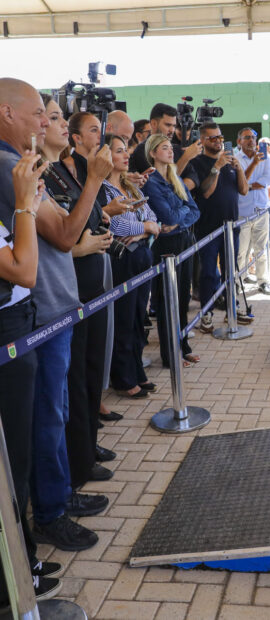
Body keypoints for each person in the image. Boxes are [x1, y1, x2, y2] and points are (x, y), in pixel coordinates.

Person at [0, 78, 111, 553]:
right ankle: (47, 514)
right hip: (35, 313)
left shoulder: (21, 165)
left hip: (45, 307)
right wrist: (95, 180)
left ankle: (57, 498)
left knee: (54, 411)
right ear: (7, 113)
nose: (46, 123)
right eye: (39, 115)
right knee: (44, 418)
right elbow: (65, 237)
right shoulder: (9, 166)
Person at [43, 99, 116, 499]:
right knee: (69, 385)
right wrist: (80, 247)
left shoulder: (68, 171)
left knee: (89, 371)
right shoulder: (44, 173)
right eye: (51, 117)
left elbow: (85, 217)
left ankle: (87, 447)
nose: (54, 123)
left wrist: (99, 217)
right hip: (66, 289)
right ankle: (76, 463)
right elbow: (65, 235)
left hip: (87, 284)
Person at [0, 148, 60, 601]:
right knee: (11, 465)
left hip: (16, 326)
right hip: (6, 336)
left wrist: (30, 204)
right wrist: (24, 205)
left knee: (15, 462)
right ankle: (14, 585)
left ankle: (22, 562)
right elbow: (25, 270)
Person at [101, 134, 160, 397]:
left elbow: (154, 219)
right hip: (122, 260)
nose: (126, 155)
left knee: (138, 318)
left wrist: (143, 230)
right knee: (124, 319)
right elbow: (115, 225)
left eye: (126, 150)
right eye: (119, 151)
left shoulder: (130, 186)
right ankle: (123, 378)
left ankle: (137, 370)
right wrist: (145, 227)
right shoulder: (103, 189)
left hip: (142, 256)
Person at [142, 134, 200, 367]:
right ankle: (170, 354)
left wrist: (179, 220)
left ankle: (183, 346)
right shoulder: (151, 182)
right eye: (164, 148)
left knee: (183, 297)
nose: (170, 151)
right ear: (153, 153)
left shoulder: (174, 176)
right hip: (166, 246)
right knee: (168, 300)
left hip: (184, 240)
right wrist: (179, 217)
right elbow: (168, 217)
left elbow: (194, 210)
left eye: (170, 148)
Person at [192, 122, 249, 334]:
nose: (218, 141)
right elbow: (206, 192)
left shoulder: (230, 161)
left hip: (231, 226)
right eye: (213, 138)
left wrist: (239, 169)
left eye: (220, 137)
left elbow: (244, 190)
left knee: (230, 271)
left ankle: (231, 308)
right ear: (203, 140)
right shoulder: (198, 163)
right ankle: (206, 313)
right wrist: (216, 167)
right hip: (208, 228)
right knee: (208, 272)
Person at [235, 128, 270, 295]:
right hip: (242, 212)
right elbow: (238, 183)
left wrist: (247, 186)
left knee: (261, 249)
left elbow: (269, 179)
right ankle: (238, 281)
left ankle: (263, 281)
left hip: (261, 210)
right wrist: (252, 172)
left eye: (253, 137)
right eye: (247, 137)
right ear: (239, 141)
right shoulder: (235, 159)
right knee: (241, 251)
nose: (251, 140)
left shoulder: (265, 158)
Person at [129, 102, 200, 191]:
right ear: (154, 124)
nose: (172, 130)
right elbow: (159, 182)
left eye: (174, 126)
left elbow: (194, 178)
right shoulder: (143, 150)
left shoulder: (176, 149)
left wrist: (176, 193)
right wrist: (185, 158)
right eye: (168, 125)